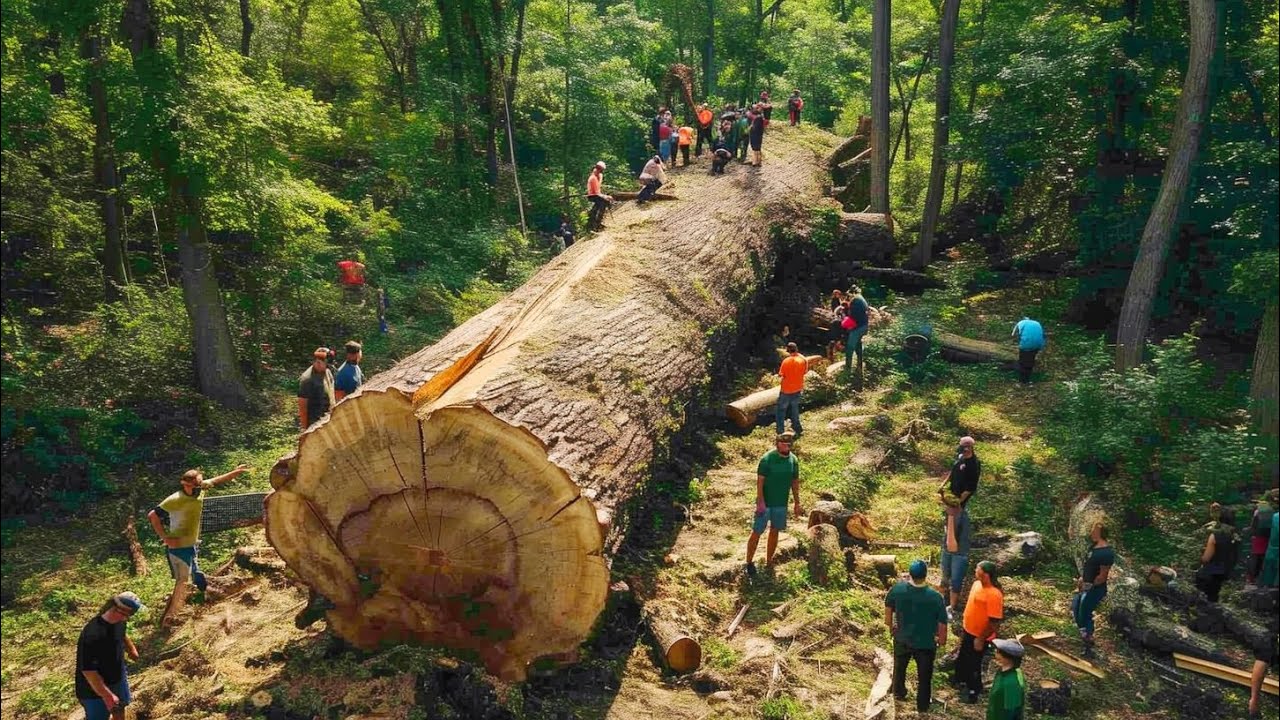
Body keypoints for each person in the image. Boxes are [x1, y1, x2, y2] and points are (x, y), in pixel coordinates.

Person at [147, 464, 250, 625]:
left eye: (200, 484)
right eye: (195, 485)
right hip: (178, 547)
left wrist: (237, 471)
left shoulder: (201, 489)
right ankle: (170, 618)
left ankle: (203, 600)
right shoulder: (175, 499)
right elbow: (153, 515)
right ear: (185, 484)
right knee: (183, 581)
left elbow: (218, 479)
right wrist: (165, 538)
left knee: (197, 577)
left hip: (191, 544)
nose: (199, 488)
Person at [885, 559, 948, 714]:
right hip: (926, 644)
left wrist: (891, 627)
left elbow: (888, 615)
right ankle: (922, 705)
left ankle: (899, 693)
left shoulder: (897, 590)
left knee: (899, 668)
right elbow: (942, 623)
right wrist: (942, 640)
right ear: (926, 575)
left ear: (910, 574)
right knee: (925, 677)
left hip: (902, 639)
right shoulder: (935, 597)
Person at [75, 592, 143, 720]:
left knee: (119, 708)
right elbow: (89, 672)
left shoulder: (119, 621)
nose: (128, 618)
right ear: (120, 611)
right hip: (94, 690)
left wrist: (131, 649)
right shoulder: (92, 634)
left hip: (117, 677)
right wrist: (107, 695)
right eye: (130, 614)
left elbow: (122, 635)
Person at [745, 432, 803, 578]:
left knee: (775, 531)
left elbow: (795, 482)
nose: (785, 446)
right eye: (782, 443)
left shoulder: (793, 460)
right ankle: (749, 562)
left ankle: (769, 561)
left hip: (781, 503)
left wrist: (797, 502)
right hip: (766, 503)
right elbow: (760, 482)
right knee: (757, 531)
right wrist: (760, 501)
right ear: (777, 443)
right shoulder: (767, 459)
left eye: (788, 444)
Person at [956, 560, 1004, 703]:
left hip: (979, 635)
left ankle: (973, 691)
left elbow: (994, 622)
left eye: (978, 569)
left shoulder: (994, 594)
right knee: (964, 658)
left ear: (986, 574)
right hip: (968, 630)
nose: (975, 570)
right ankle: (961, 681)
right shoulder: (977, 584)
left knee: (974, 664)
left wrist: (981, 638)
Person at [1072, 521, 1114, 652]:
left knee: (1084, 612)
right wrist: (1082, 579)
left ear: (1101, 533)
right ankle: (1084, 634)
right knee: (1076, 607)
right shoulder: (1093, 547)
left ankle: (1089, 641)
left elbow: (1102, 576)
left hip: (1095, 589)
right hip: (1085, 585)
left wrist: (1088, 585)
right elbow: (1088, 566)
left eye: (1095, 531)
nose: (1092, 533)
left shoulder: (1106, 552)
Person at [1194, 503, 1239, 602]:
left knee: (1200, 578)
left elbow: (1206, 558)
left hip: (1215, 569)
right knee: (1215, 588)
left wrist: (1199, 562)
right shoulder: (1234, 534)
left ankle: (1206, 605)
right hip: (1228, 568)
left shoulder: (1215, 535)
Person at [940, 504, 973, 623]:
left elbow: (953, 546)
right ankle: (942, 603)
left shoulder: (963, 518)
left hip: (959, 552)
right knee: (944, 577)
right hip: (947, 549)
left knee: (955, 581)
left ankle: (951, 608)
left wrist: (950, 518)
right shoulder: (948, 514)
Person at [988, 638, 1027, 720]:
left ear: (1008, 657)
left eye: (999, 652)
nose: (995, 654)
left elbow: (1011, 713)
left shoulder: (1012, 684)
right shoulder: (1002, 671)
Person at [1246, 488, 1278, 586]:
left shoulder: (1261, 509)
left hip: (1259, 537)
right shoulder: (1274, 510)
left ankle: (1252, 578)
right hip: (1272, 537)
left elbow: (1254, 525)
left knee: (1256, 557)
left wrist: (1251, 532)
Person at [297, 347, 336, 429]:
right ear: (318, 362)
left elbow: (332, 392)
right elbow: (302, 407)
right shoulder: (307, 380)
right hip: (315, 425)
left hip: (328, 420)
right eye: (326, 364)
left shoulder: (327, 372)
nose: (328, 367)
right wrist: (305, 430)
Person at [938, 436, 980, 509]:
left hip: (962, 496)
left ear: (970, 448)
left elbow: (971, 486)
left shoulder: (973, 465)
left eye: (965, 448)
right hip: (954, 491)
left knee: (958, 515)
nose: (962, 450)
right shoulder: (961, 457)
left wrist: (958, 502)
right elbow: (953, 471)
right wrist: (943, 484)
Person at [776, 342, 807, 437]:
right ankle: (797, 428)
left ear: (788, 350)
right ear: (796, 349)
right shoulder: (803, 359)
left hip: (786, 389)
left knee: (781, 410)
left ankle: (780, 430)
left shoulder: (786, 361)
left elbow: (781, 374)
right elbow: (804, 372)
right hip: (798, 388)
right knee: (794, 409)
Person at [1011, 316, 1045, 383]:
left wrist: (1018, 342)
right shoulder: (1037, 323)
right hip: (1038, 344)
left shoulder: (1020, 323)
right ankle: (1029, 376)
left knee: (1023, 362)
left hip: (1026, 344)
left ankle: (1023, 380)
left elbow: (1014, 335)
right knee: (1031, 359)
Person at [844, 286, 870, 373]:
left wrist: (849, 326)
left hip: (857, 328)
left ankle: (847, 370)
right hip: (864, 326)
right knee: (858, 345)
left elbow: (854, 316)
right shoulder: (862, 299)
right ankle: (859, 366)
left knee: (849, 348)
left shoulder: (856, 301)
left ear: (852, 293)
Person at [586, 161, 614, 231]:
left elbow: (598, 189)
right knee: (604, 203)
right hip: (593, 195)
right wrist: (606, 197)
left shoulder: (598, 176)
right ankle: (597, 223)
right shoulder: (593, 178)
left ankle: (596, 222)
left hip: (596, 195)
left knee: (601, 204)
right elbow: (596, 193)